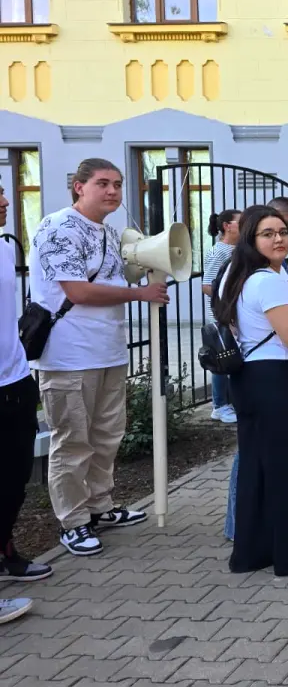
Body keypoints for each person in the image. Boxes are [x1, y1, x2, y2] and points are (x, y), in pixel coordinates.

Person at [31, 158, 166, 557]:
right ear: (79, 186)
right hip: (69, 355)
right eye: (103, 183)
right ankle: (73, 522)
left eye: (118, 184)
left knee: (107, 435)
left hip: (107, 350)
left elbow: (114, 279)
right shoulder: (59, 227)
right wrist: (139, 294)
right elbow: (78, 291)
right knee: (73, 442)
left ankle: (99, 506)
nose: (112, 191)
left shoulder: (106, 231)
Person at [212, 205, 288, 577]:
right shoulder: (266, 280)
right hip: (277, 380)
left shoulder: (244, 276)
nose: (279, 239)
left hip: (256, 379)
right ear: (250, 239)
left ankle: (256, 550)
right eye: (268, 233)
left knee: (260, 468)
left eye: (282, 232)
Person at [1, 182, 52, 584]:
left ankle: (6, 551)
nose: (5, 201)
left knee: (15, 478)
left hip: (16, 382)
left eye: (3, 192)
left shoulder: (4, 249)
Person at [202, 209, 241, 425]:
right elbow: (207, 286)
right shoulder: (219, 252)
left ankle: (231, 402)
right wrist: (228, 304)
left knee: (234, 357)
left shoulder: (239, 249)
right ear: (227, 226)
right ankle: (219, 405)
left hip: (236, 314)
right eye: (240, 222)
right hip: (223, 315)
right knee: (222, 358)